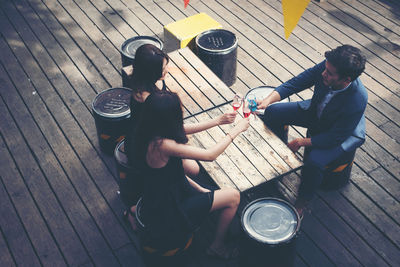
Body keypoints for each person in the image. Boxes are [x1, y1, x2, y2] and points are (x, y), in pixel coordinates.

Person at [131, 91, 250, 259]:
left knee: (208, 188)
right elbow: (210, 155)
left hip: (162, 196)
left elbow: (171, 174)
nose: (183, 110)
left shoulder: (148, 131)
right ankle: (217, 246)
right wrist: (235, 131)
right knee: (234, 197)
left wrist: (218, 121)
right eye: (180, 109)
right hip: (171, 212)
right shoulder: (163, 145)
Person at [257, 45, 367, 216]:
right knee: (272, 112)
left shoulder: (358, 99)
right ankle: (278, 154)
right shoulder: (328, 67)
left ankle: (302, 201)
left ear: (346, 80)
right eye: (325, 68)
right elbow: (298, 81)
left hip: (339, 133)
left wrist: (301, 142)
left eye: (330, 73)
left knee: (314, 162)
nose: (324, 73)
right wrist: (269, 99)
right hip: (316, 112)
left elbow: (335, 137)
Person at [120, 44, 170, 226]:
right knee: (178, 172)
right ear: (151, 72)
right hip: (143, 150)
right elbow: (175, 129)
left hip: (136, 138)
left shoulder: (140, 83)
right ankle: (134, 211)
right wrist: (218, 122)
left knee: (188, 167)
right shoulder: (151, 99)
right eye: (163, 69)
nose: (166, 71)